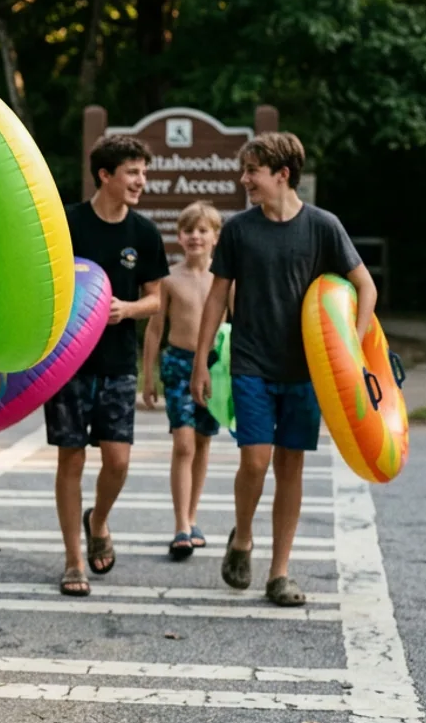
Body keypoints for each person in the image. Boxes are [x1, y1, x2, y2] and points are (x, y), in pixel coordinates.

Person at [191, 132, 373, 607]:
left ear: (282, 174)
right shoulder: (238, 230)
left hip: (307, 368)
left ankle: (279, 573)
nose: (244, 179)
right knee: (255, 459)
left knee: (290, 466)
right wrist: (201, 361)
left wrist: (352, 348)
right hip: (251, 360)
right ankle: (243, 539)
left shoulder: (323, 226)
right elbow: (216, 297)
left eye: (252, 171)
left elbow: (365, 287)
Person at [45, 134, 168, 598]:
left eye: (143, 172)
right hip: (66, 364)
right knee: (70, 458)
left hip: (118, 363)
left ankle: (98, 521)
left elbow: (157, 298)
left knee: (118, 460)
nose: (141, 181)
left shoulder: (145, 233)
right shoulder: (68, 224)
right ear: (105, 175)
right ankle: (74, 558)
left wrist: (126, 310)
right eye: (133, 172)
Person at [142, 200, 223, 561]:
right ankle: (180, 526)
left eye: (202, 230)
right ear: (180, 236)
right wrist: (149, 375)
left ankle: (192, 518)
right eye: (189, 230)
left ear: (215, 237)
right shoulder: (169, 279)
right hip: (177, 364)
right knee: (184, 444)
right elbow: (154, 329)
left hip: (215, 366)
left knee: (203, 443)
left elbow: (239, 325)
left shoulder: (222, 282)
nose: (195, 237)